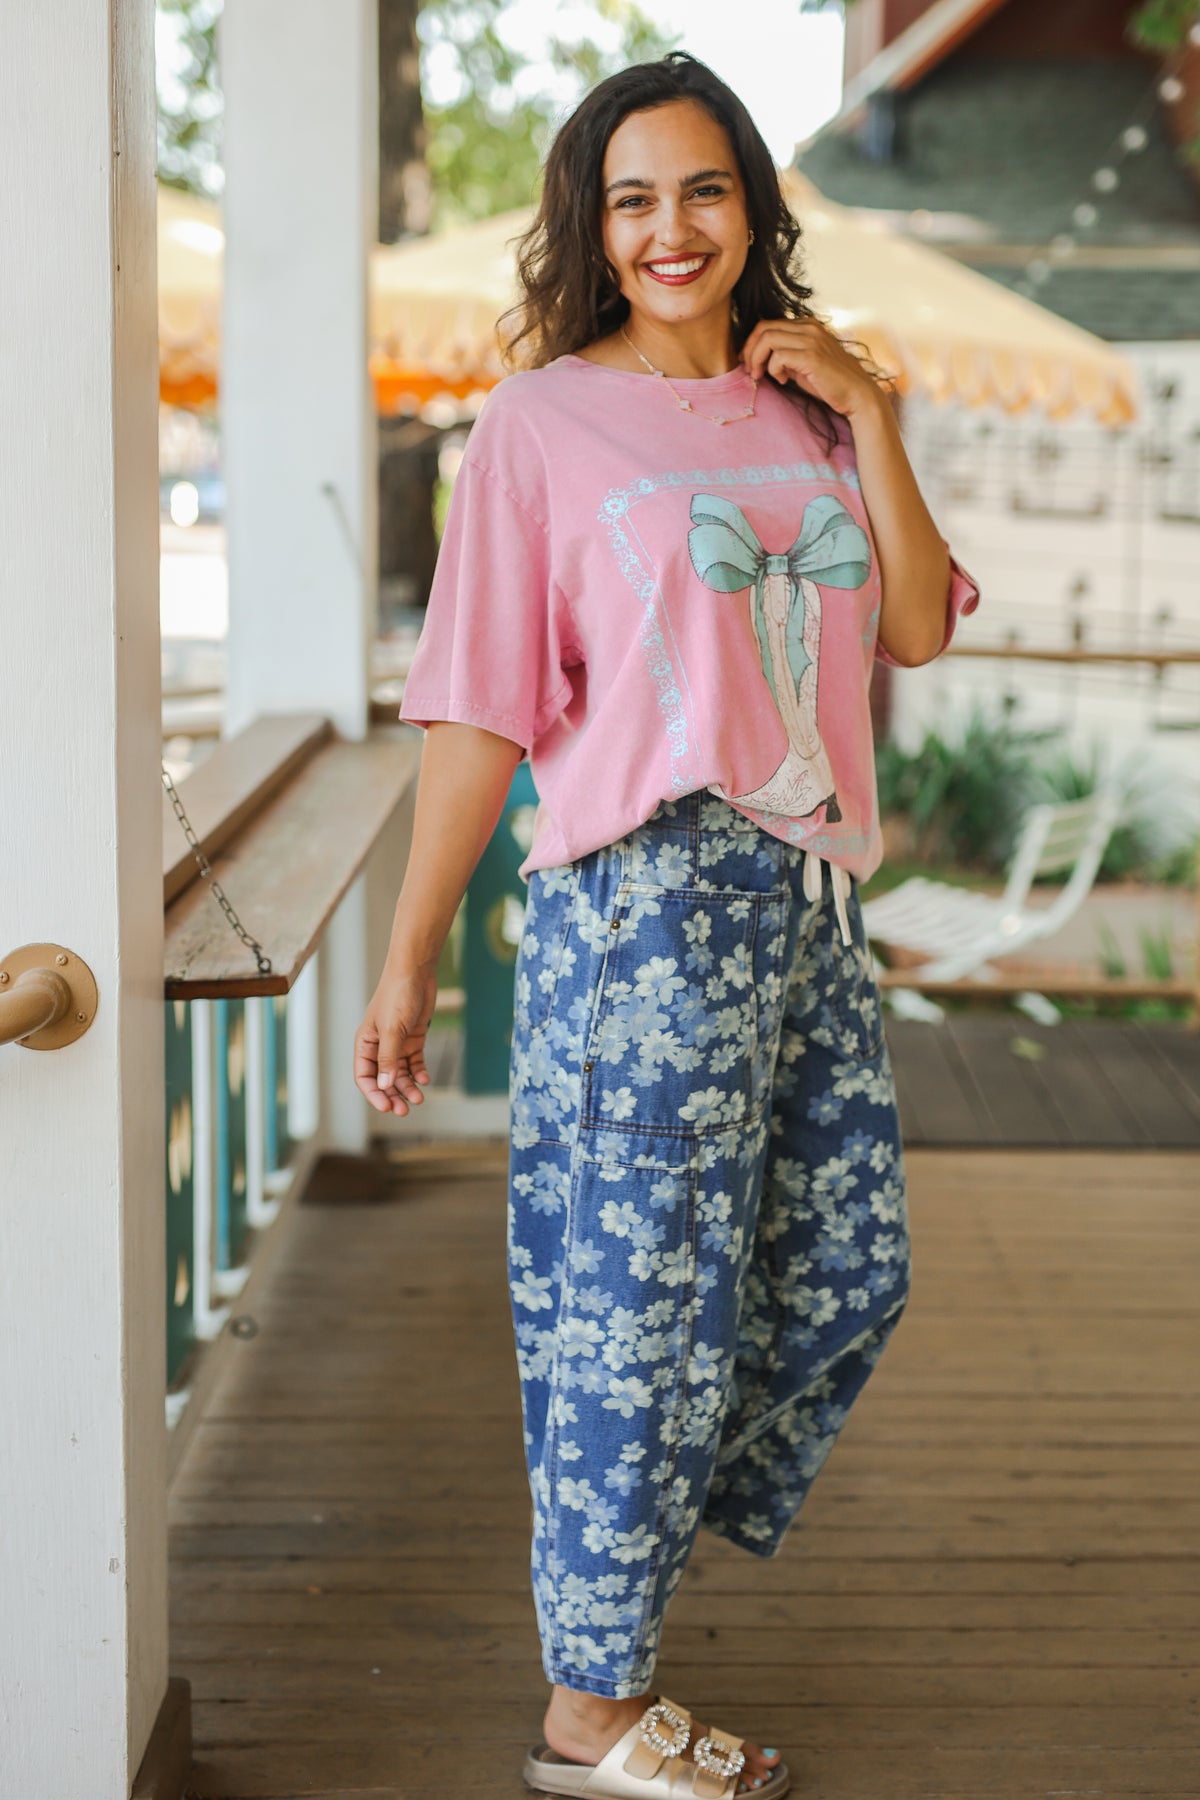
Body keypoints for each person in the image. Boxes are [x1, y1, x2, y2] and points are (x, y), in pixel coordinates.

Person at [354, 49, 980, 1800]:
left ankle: (612, 1562)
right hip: (642, 918)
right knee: (637, 1312)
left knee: (847, 1266)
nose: (670, 226)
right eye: (632, 198)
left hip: (804, 910)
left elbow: (917, 630)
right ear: (593, 226)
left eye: (703, 188)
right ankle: (595, 1707)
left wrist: (874, 417)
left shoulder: (811, 411)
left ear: (754, 208)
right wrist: (408, 955)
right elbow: (481, 710)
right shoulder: (547, 422)